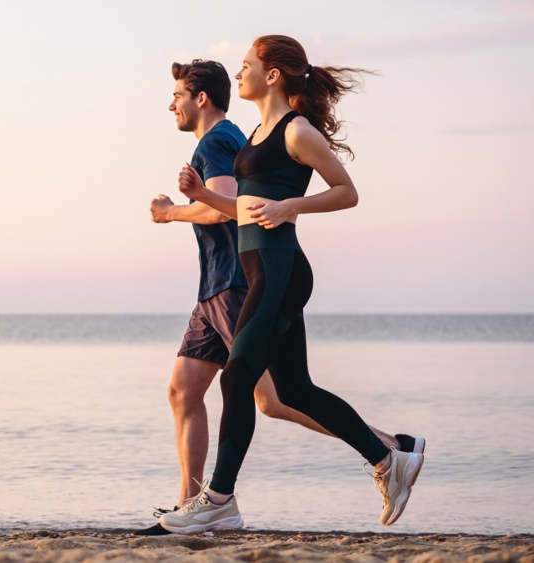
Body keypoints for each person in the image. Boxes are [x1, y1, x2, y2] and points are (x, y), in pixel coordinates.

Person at [138, 57, 423, 536]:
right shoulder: (251, 136)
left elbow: (346, 191)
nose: (239, 71)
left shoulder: (292, 131)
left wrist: (290, 205)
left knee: (244, 384)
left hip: (271, 272)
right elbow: (243, 210)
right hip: (252, 273)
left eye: (247, 63)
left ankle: (218, 501)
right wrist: (202, 197)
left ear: (272, 74)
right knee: (290, 390)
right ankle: (388, 456)